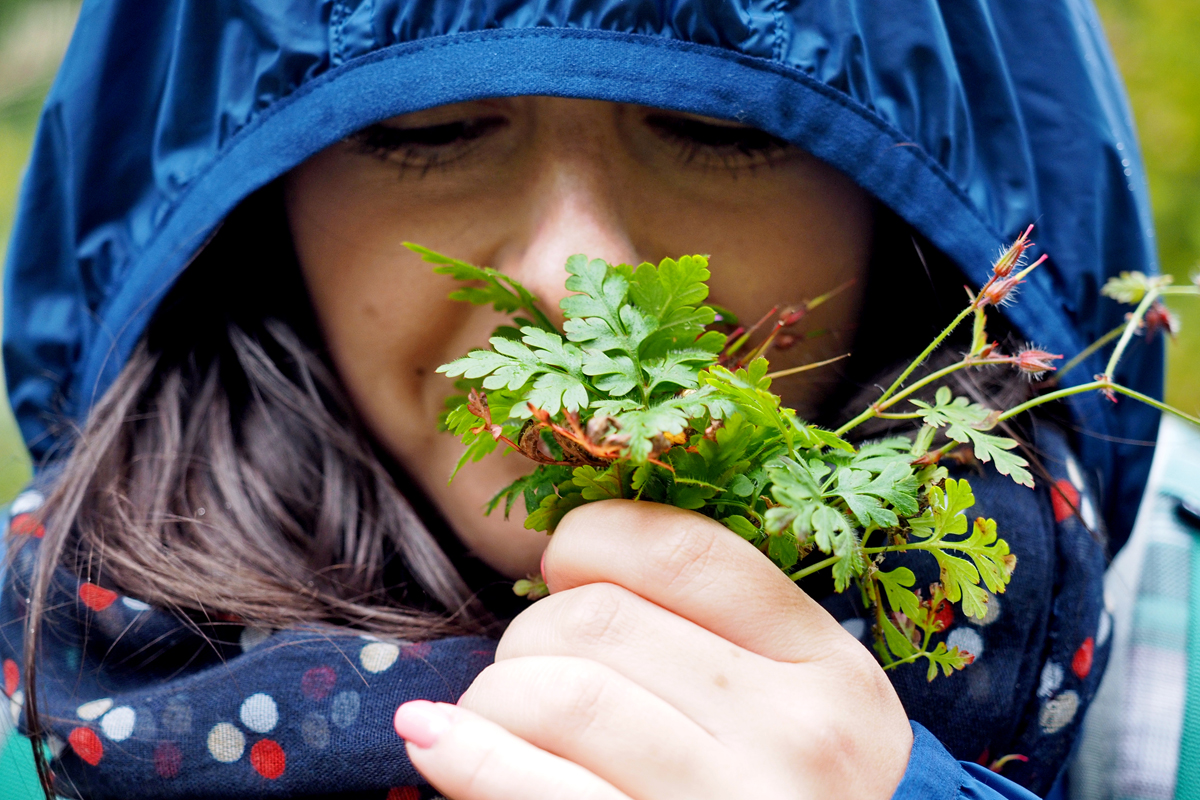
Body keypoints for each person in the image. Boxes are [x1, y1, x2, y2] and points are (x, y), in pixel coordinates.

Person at [0, 1, 1163, 799]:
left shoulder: (1174, 661)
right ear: (247, 213)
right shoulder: (36, 710)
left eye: (720, 126)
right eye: (433, 129)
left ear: (909, 211)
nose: (574, 281)